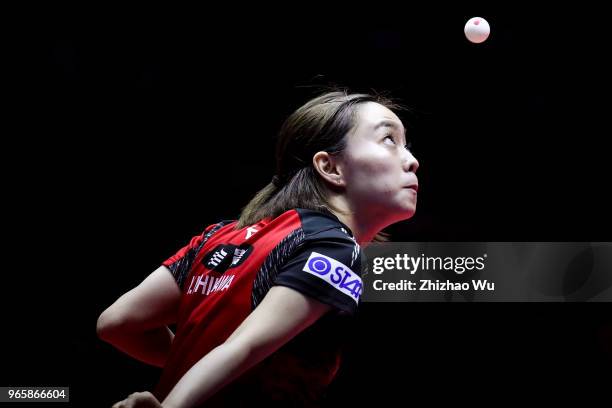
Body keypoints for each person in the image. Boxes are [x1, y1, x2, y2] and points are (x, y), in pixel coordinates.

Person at [97, 90, 420, 407]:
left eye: (407, 145)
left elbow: (118, 322)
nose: (413, 161)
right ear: (330, 167)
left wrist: (191, 369)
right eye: (389, 140)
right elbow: (246, 346)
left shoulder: (218, 236)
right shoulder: (336, 248)